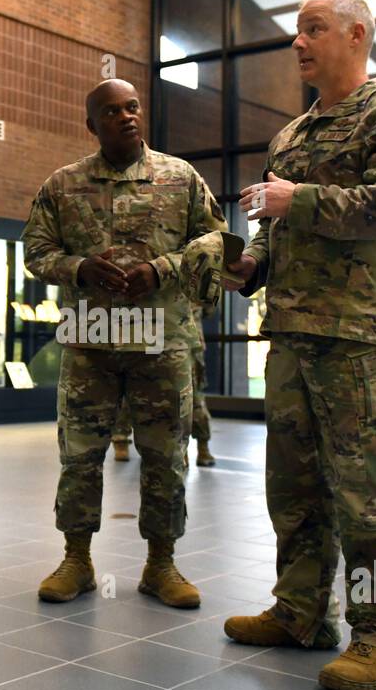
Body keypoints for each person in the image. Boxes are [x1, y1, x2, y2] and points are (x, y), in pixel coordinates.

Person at [221, 0, 376, 690]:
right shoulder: (292, 134)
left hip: (362, 341)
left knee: (371, 494)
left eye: (313, 29)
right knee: (295, 486)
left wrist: (297, 201)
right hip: (291, 334)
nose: (298, 43)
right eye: (296, 31)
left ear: (356, 34)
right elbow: (272, 228)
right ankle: (301, 612)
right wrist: (249, 264)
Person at [22, 79, 225, 609]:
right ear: (92, 125)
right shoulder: (63, 185)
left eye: (132, 106)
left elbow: (215, 244)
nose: (126, 116)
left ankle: (162, 564)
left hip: (162, 343)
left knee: (164, 455)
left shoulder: (180, 178)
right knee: (80, 455)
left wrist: (162, 270)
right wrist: (78, 267)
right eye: (111, 111)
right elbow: (36, 251)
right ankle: (76, 559)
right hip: (90, 344)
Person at [111, 302, 216, 467]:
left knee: (134, 392)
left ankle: (121, 441)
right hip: (183, 341)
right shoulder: (191, 281)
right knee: (191, 398)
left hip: (154, 338)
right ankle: (196, 449)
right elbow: (209, 307)